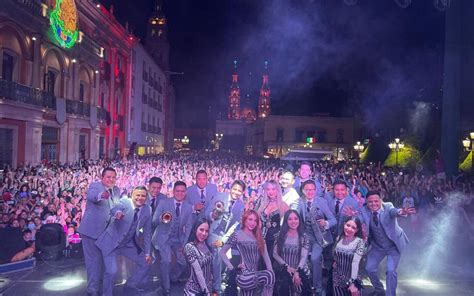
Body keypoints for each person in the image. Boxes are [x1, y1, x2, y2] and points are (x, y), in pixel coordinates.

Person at [95, 186, 153, 296]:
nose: (140, 198)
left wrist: (147, 253)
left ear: (146, 197)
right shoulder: (125, 201)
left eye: (143, 196)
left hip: (127, 245)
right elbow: (116, 208)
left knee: (146, 262)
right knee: (111, 271)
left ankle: (130, 285)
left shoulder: (147, 209)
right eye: (138, 195)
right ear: (132, 195)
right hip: (111, 243)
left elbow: (147, 233)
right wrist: (117, 213)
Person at [356, 190, 415, 296]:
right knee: (369, 268)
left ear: (381, 200)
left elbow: (394, 211)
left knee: (391, 271)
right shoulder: (364, 210)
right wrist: (353, 218)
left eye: (376, 201)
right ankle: (379, 290)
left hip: (393, 245)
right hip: (377, 246)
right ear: (367, 202)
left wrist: (401, 212)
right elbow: (358, 220)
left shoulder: (388, 206)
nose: (373, 204)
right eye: (370, 202)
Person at [77, 167, 120, 296]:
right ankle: (92, 290)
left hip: (107, 233)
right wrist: (102, 195)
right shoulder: (95, 186)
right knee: (93, 262)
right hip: (91, 232)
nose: (111, 179)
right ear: (102, 178)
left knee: (107, 264)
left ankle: (104, 289)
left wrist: (118, 212)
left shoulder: (116, 190)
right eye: (108, 177)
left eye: (113, 177)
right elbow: (92, 197)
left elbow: (116, 205)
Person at [153, 181, 195, 296]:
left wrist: (184, 244)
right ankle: (166, 287)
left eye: (182, 191)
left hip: (178, 239)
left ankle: (171, 277)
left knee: (183, 261)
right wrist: (162, 218)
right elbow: (154, 221)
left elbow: (189, 226)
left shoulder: (187, 207)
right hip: (164, 238)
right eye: (177, 191)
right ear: (173, 191)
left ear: (185, 192)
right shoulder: (163, 202)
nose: (180, 193)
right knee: (166, 260)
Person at [219, 210, 275, 296]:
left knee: (270, 275)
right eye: (250, 219)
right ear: (245, 219)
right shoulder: (237, 235)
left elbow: (266, 257)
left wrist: (272, 276)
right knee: (269, 275)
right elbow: (222, 253)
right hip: (243, 276)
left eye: (255, 220)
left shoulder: (259, 236)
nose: (253, 223)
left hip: (255, 275)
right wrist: (233, 269)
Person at [205, 180, 246, 295]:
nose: (236, 192)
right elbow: (206, 213)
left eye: (239, 191)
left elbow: (234, 226)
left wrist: (224, 240)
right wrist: (213, 215)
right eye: (235, 189)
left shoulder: (241, 206)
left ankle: (220, 278)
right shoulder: (219, 196)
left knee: (226, 252)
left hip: (226, 236)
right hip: (212, 232)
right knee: (218, 252)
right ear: (230, 188)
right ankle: (217, 287)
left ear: (242, 193)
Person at [297, 180, 336, 295]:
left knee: (315, 258)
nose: (310, 192)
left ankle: (317, 286)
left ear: (316, 190)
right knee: (299, 258)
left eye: (312, 189)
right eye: (307, 189)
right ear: (303, 191)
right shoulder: (299, 202)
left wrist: (326, 223)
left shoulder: (322, 202)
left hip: (319, 238)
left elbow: (333, 220)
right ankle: (301, 283)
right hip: (304, 237)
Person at [273, 210, 310, 296]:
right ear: (286, 221)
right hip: (283, 267)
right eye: (290, 219)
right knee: (284, 284)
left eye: (296, 219)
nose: (293, 222)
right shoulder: (279, 235)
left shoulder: (304, 237)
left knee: (301, 285)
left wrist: (297, 272)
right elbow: (275, 254)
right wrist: (287, 267)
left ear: (299, 220)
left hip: (300, 268)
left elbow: (303, 257)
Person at [332, 217, 366, 296]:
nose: (349, 229)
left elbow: (355, 262)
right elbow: (334, 253)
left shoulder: (360, 242)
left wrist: (353, 283)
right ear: (344, 224)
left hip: (353, 279)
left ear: (357, 230)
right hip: (337, 279)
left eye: (353, 227)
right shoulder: (339, 238)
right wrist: (335, 261)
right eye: (348, 225)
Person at [256, 180, 289, 259]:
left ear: (277, 190)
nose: (271, 192)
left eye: (273, 189)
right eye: (268, 189)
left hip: (274, 241)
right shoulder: (261, 204)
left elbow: (292, 222)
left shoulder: (283, 205)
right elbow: (255, 220)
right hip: (260, 239)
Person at [184, 218, 213, 296]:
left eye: (206, 231)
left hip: (207, 289)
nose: (204, 233)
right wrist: (206, 291)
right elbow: (198, 271)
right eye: (201, 229)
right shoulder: (189, 247)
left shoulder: (206, 244)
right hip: (193, 291)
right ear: (195, 229)